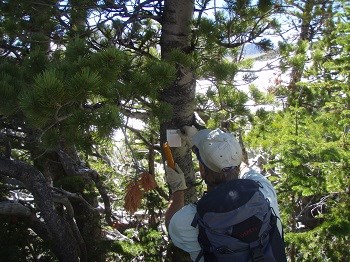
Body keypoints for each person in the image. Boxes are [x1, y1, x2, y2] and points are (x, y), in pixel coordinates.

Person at [164, 127, 283, 261]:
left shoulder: (191, 218)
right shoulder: (263, 191)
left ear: (202, 170)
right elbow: (243, 168)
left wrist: (178, 189)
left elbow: (171, 224)